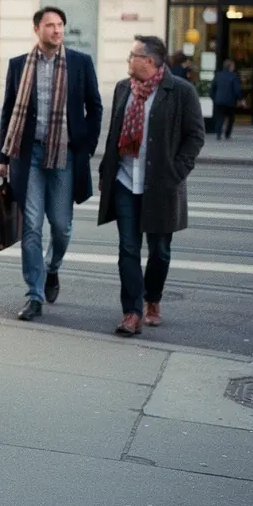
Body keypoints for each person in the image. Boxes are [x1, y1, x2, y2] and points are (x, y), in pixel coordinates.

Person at [0, 7, 103, 321]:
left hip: (65, 156)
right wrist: (2, 159)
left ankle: (52, 267)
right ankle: (35, 295)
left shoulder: (81, 63)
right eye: (50, 25)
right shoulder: (19, 66)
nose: (57, 31)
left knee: (61, 226)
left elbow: (95, 108)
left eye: (60, 25)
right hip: (27, 156)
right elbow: (8, 112)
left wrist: (85, 146)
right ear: (37, 29)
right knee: (31, 227)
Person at [97, 35, 205, 335]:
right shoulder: (123, 88)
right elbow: (114, 135)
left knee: (160, 251)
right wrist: (107, 173)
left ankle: (153, 298)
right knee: (128, 249)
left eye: (133, 55)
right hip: (125, 181)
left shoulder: (180, 91)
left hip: (162, 185)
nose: (128, 60)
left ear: (150, 61)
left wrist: (177, 171)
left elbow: (195, 136)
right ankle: (131, 312)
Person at [210, 59, 243, 140]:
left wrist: (214, 97)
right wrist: (241, 99)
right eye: (233, 66)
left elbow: (212, 88)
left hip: (219, 100)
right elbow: (237, 89)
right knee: (231, 118)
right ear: (230, 67)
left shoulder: (218, 75)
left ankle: (218, 134)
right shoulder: (233, 76)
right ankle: (227, 134)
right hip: (230, 101)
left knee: (220, 117)